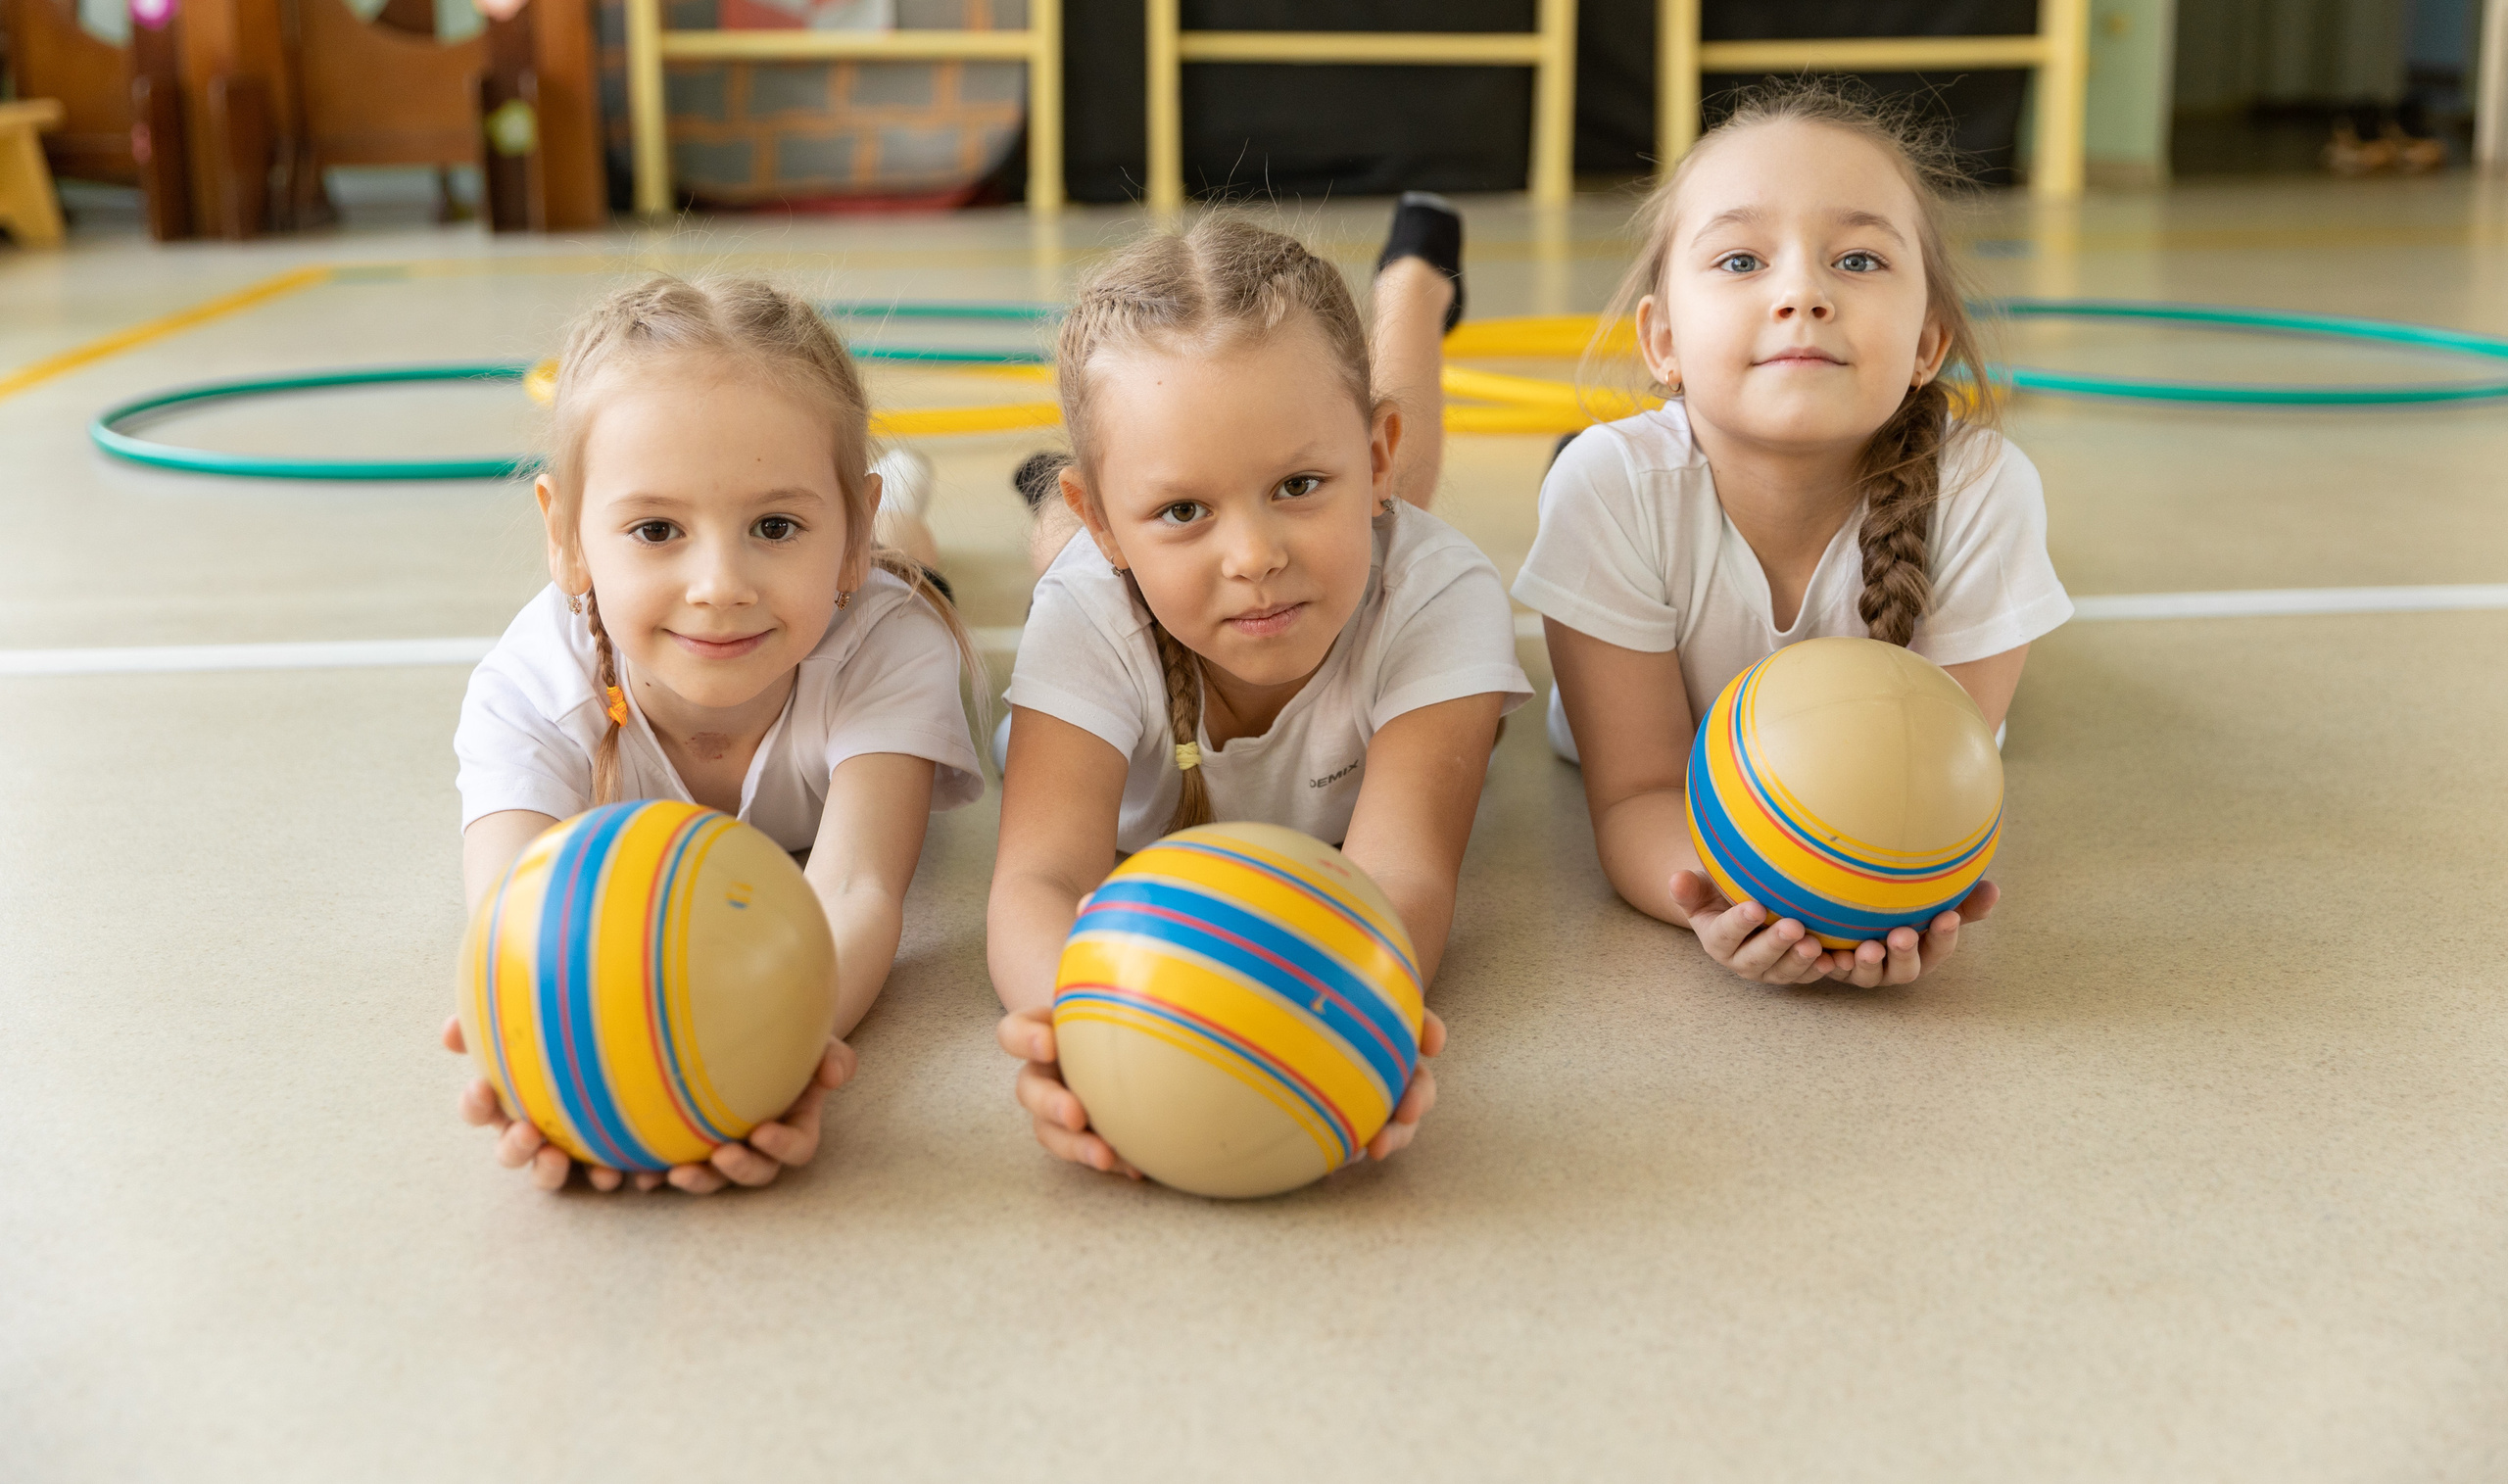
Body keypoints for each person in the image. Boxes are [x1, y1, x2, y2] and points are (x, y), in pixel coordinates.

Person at [989, 209, 1530, 1177]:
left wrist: (1345, 1023)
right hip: (1103, 567)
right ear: (1105, 519)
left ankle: (1412, 288)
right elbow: (1036, 880)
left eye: (1296, 484)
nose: (1253, 556)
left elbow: (1401, 880)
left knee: (1400, 519)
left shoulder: (1440, 594)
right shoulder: (1087, 607)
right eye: (1182, 507)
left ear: (1372, 453)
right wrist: (1090, 1036)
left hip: (1376, 532)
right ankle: (1060, 503)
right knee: (1059, 565)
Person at [1514, 82, 2072, 990]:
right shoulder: (1608, 493)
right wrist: (1747, 905)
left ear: (1928, 344)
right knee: (1591, 472)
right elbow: (1639, 795)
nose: (1803, 293)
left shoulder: (1986, 490)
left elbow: (1928, 815)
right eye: (1741, 259)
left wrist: (1878, 903)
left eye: (1858, 260)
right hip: (1633, 549)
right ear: (1662, 341)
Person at [444, 275, 986, 1192]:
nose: (720, 584)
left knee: (915, 561)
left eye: (775, 524)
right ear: (566, 536)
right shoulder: (526, 689)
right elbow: (511, 920)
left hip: (871, 585)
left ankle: (897, 511)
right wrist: (548, 1061)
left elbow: (855, 888)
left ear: (843, 529)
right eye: (657, 528)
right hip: (836, 571)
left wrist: (772, 1052)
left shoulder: (889, 647)